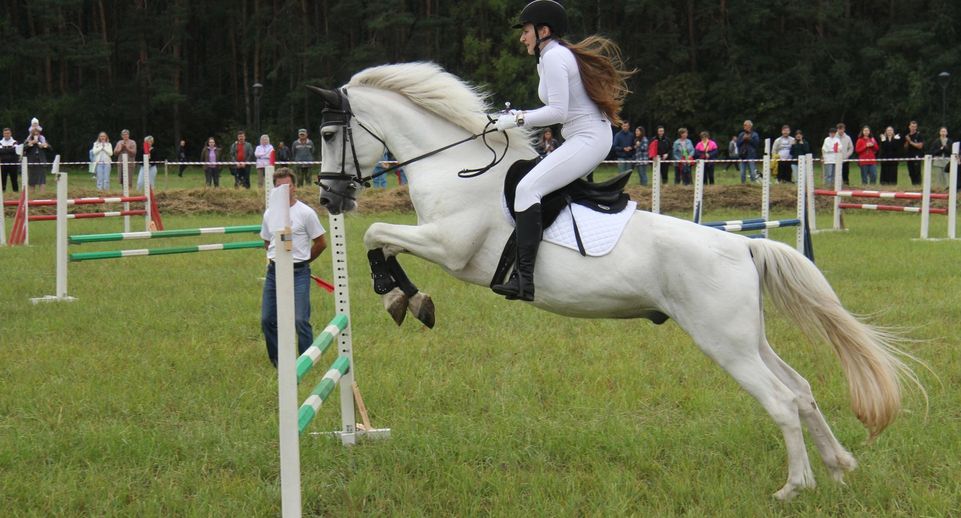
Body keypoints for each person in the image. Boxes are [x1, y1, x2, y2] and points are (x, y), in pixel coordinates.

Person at [490, 0, 632, 301]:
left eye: (526, 31)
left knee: (527, 189)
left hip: (588, 138)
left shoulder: (555, 57)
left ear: (543, 31)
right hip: (583, 137)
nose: (522, 37)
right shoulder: (549, 58)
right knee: (530, 182)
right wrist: (516, 115)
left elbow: (557, 112)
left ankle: (524, 280)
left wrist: (514, 119)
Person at [260, 167, 327, 367]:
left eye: (287, 186)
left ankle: (306, 362)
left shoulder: (306, 213)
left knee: (300, 320)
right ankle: (279, 363)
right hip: (274, 273)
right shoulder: (269, 213)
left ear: (294, 187)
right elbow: (266, 241)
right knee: (267, 320)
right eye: (279, 187)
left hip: (299, 273)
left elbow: (321, 243)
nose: (284, 190)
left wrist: (303, 260)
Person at [23, 123, 50, 193]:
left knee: (42, 180)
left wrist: (44, 145)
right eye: (34, 132)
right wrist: (31, 143)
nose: (36, 134)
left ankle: (42, 194)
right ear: (31, 133)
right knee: (32, 180)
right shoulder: (28, 139)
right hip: (31, 162)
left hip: (41, 161)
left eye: (37, 132)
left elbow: (50, 148)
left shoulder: (42, 139)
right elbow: (23, 148)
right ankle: (32, 195)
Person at [904, 120, 924, 185]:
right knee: (911, 173)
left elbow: (920, 146)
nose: (913, 128)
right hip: (909, 156)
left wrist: (910, 142)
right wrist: (907, 142)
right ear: (909, 127)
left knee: (917, 173)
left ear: (916, 127)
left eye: (914, 127)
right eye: (912, 126)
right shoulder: (907, 136)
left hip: (917, 156)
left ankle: (918, 186)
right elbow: (905, 147)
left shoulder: (919, 135)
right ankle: (913, 186)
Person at [0, 127, 19, 193]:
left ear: (10, 133)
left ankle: (15, 192)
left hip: (13, 164)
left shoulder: (15, 142)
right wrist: (10, 149)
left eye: (8, 133)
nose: (6, 135)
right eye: (5, 133)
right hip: (3, 164)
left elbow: (15, 150)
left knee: (14, 179)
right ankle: (2, 193)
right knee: (2, 179)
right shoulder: (0, 142)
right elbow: (0, 151)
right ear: (3, 134)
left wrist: (4, 150)